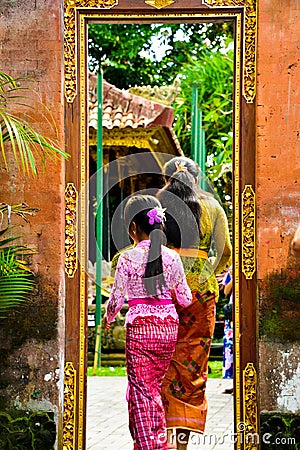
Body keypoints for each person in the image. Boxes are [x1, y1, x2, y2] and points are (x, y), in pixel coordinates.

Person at [103, 194, 192, 450]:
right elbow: (185, 299)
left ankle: (148, 446)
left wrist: (109, 319)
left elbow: (117, 300)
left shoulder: (127, 259)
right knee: (154, 390)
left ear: (132, 227)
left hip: (140, 329)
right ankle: (158, 443)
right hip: (167, 330)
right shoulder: (173, 259)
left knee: (142, 394)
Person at [157, 156, 232, 450]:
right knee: (192, 364)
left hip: (165, 288)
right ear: (197, 179)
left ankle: (159, 434)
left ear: (166, 180)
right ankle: (182, 444)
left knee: (162, 360)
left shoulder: (158, 208)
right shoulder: (212, 207)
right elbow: (225, 251)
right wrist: (206, 274)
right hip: (201, 292)